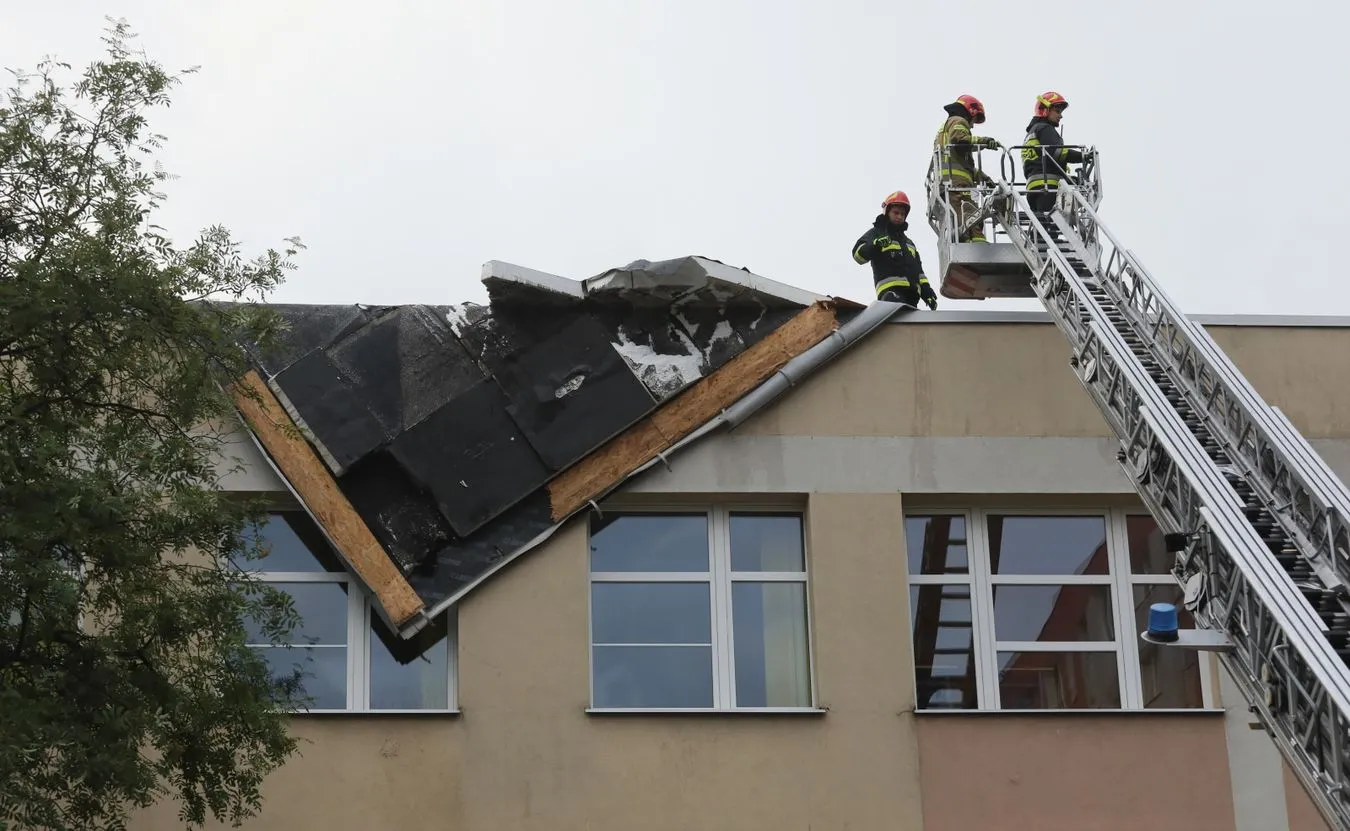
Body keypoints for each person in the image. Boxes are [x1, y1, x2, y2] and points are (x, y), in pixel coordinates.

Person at [933, 94, 1002, 243]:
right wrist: (984, 141)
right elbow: (959, 140)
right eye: (975, 120)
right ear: (970, 111)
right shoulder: (959, 121)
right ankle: (978, 246)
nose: (972, 125)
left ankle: (974, 242)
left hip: (950, 181)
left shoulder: (946, 126)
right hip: (957, 183)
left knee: (964, 215)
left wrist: (983, 177)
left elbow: (963, 164)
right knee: (969, 215)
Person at [853, 190, 937, 309]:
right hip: (890, 293)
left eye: (902, 214)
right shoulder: (876, 233)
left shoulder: (909, 243)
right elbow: (857, 255)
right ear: (887, 212)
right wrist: (876, 245)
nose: (899, 217)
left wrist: (927, 293)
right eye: (896, 213)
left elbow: (919, 272)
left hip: (912, 296)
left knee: (910, 325)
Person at [1021, 91, 1091, 217]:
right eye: (1057, 111)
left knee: (1041, 228)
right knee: (1049, 224)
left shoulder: (1033, 132)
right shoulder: (1045, 129)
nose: (1060, 116)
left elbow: (1044, 159)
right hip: (1048, 186)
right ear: (1045, 110)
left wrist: (1068, 179)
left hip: (1033, 188)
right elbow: (1057, 153)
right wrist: (1083, 156)